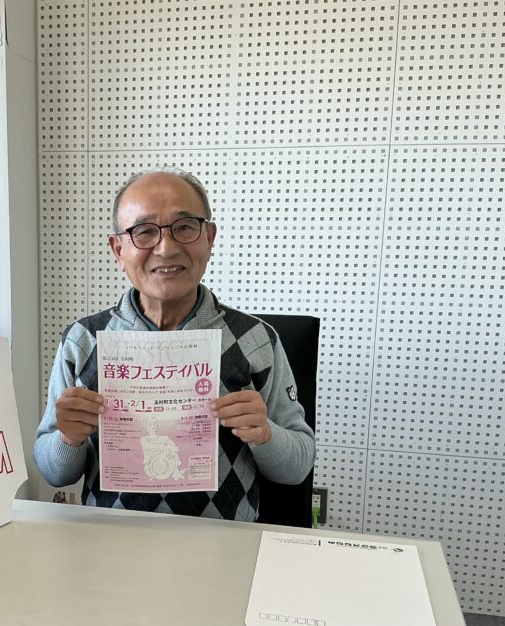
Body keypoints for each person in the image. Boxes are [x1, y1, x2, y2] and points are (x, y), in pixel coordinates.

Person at [33, 169, 315, 522]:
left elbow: (298, 467)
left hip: (223, 542)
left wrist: (265, 435)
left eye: (184, 227)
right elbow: (54, 473)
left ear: (209, 238)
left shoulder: (255, 339)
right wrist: (68, 439)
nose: (166, 248)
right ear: (118, 250)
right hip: (111, 539)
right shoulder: (83, 340)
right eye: (144, 231)